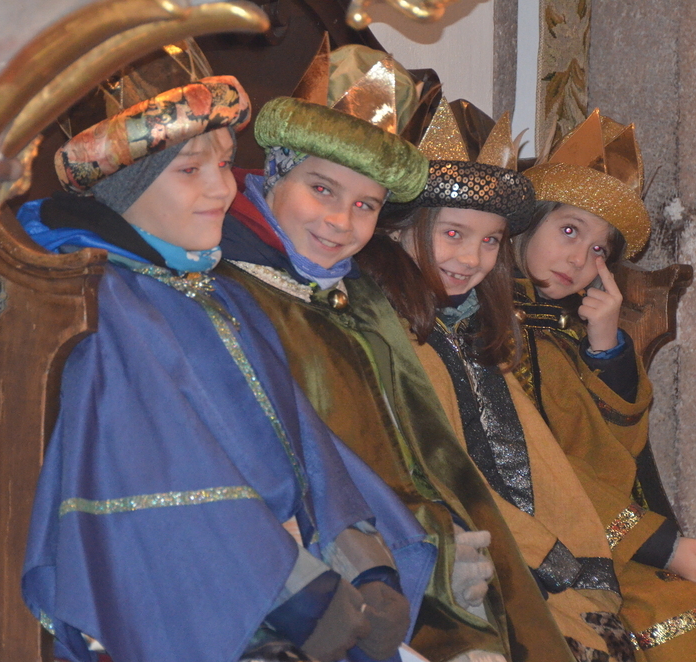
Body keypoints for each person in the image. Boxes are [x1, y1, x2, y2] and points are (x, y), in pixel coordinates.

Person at [17, 73, 433, 662]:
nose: (223, 188)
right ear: (122, 188)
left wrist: (367, 564)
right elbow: (159, 486)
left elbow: (312, 448)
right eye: (190, 170)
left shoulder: (221, 295)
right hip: (220, 611)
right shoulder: (105, 305)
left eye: (225, 164)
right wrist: (300, 597)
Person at [219, 44, 576, 662]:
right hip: (306, 575)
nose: (341, 222)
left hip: (417, 559)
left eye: (366, 205)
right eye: (322, 189)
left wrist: (449, 547)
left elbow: (423, 455)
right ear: (277, 173)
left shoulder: (357, 296)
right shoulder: (225, 290)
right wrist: (426, 558)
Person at [509, 109, 696, 661]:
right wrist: (662, 547)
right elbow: (537, 468)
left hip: (601, 529)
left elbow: (616, 453)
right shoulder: (497, 329)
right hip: (547, 538)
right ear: (526, 224)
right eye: (569, 230)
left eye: (599, 250)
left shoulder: (562, 333)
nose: (580, 259)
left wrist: (606, 347)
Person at [359, 99, 636, 662]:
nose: (472, 258)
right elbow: (435, 467)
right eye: (454, 233)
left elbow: (569, 461)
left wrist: (607, 350)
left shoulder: (475, 325)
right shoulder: (394, 327)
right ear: (398, 229)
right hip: (441, 550)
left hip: (528, 539)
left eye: (489, 241)